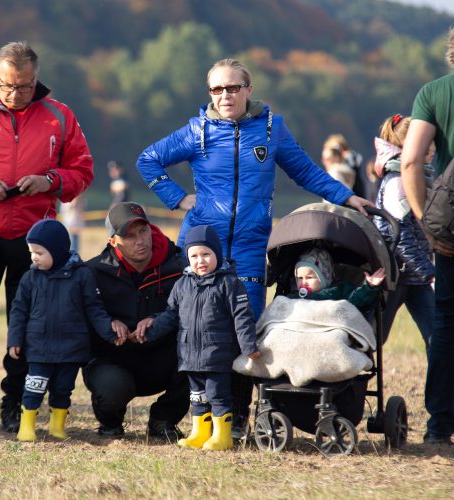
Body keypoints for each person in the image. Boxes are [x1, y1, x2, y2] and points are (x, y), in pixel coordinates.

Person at [136, 57, 373, 438]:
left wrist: (347, 198)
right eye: (217, 89)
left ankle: (238, 419)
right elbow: (148, 160)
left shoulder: (271, 128)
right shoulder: (198, 131)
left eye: (232, 87)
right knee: (195, 333)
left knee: (245, 332)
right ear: (209, 93)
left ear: (248, 90)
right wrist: (178, 199)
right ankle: (176, 417)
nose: (225, 95)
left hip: (249, 249)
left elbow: (306, 171)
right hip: (202, 249)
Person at [0, 41, 93, 434]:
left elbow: (82, 172)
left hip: (36, 240)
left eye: (26, 86)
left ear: (37, 79)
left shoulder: (59, 117)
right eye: (8, 86)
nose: (16, 95)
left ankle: (16, 404)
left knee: (29, 325)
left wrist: (50, 180)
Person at [131, 225, 260, 451]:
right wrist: (150, 333)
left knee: (218, 395)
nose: (200, 261)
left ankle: (222, 435)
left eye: (206, 254)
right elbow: (171, 314)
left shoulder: (229, 283)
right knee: (197, 396)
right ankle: (199, 432)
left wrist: (249, 345)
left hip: (217, 354)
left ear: (217, 255)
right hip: (189, 353)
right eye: (194, 256)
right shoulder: (183, 285)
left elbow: (242, 316)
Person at [7, 219, 125, 442]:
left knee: (62, 390)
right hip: (38, 347)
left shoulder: (81, 276)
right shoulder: (30, 278)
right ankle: (27, 426)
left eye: (40, 252)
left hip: (71, 348)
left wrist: (109, 333)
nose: (34, 257)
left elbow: (94, 309)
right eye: (31, 252)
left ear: (57, 250)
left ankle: (57, 426)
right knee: (34, 387)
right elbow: (18, 311)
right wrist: (15, 339)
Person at [82, 202, 189, 440]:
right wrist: (108, 324)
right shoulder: (91, 272)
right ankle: (111, 423)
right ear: (113, 241)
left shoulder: (181, 267)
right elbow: (81, 318)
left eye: (143, 231)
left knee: (201, 352)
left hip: (162, 356)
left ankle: (164, 420)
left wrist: (158, 319)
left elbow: (196, 311)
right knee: (112, 387)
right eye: (129, 236)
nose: (140, 240)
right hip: (112, 358)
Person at [401, 27, 454, 446]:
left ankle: (439, 426)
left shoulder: (433, 93)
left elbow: (411, 161)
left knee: (448, 322)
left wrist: (425, 221)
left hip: (450, 228)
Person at [373, 114, 435, 347]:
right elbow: (398, 236)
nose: (432, 147)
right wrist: (429, 271)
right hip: (395, 275)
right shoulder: (398, 182)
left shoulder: (415, 176)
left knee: (438, 338)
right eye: (427, 141)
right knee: (375, 339)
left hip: (414, 276)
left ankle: (440, 384)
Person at [293, 247, 385, 316]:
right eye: (299, 278)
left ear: (324, 277)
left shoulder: (337, 290)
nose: (303, 282)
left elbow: (356, 298)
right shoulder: (294, 296)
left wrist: (369, 286)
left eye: (309, 278)